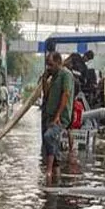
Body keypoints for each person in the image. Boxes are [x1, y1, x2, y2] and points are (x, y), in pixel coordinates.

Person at [42, 52, 74, 180]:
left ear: (58, 62)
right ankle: (56, 175)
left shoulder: (66, 75)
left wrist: (57, 116)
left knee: (49, 137)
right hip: (50, 114)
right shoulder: (54, 76)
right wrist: (45, 80)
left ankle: (49, 170)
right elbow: (46, 95)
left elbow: (65, 95)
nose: (48, 67)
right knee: (50, 143)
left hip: (60, 116)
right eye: (47, 65)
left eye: (50, 64)